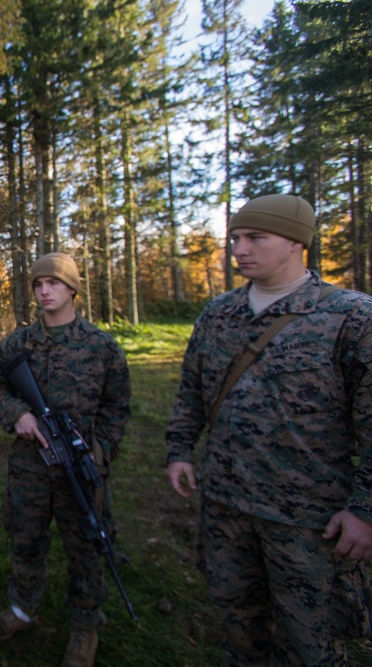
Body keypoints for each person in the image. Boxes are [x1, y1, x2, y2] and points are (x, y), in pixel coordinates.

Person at [166, 193, 372, 665]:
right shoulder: (218, 315)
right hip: (225, 505)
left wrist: (365, 508)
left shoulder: (351, 318)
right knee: (239, 626)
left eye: (255, 237)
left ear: (297, 242)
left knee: (311, 644)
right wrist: (179, 449)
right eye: (235, 237)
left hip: (307, 521)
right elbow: (191, 392)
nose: (239, 248)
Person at [0, 252, 130, 667]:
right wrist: (19, 415)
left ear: (72, 290)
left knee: (87, 545)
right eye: (38, 284)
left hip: (80, 469)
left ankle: (85, 625)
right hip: (29, 466)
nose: (44, 291)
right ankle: (22, 608)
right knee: (25, 539)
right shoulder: (18, 344)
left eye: (53, 284)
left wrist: (98, 452)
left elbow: (118, 408)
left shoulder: (102, 347)